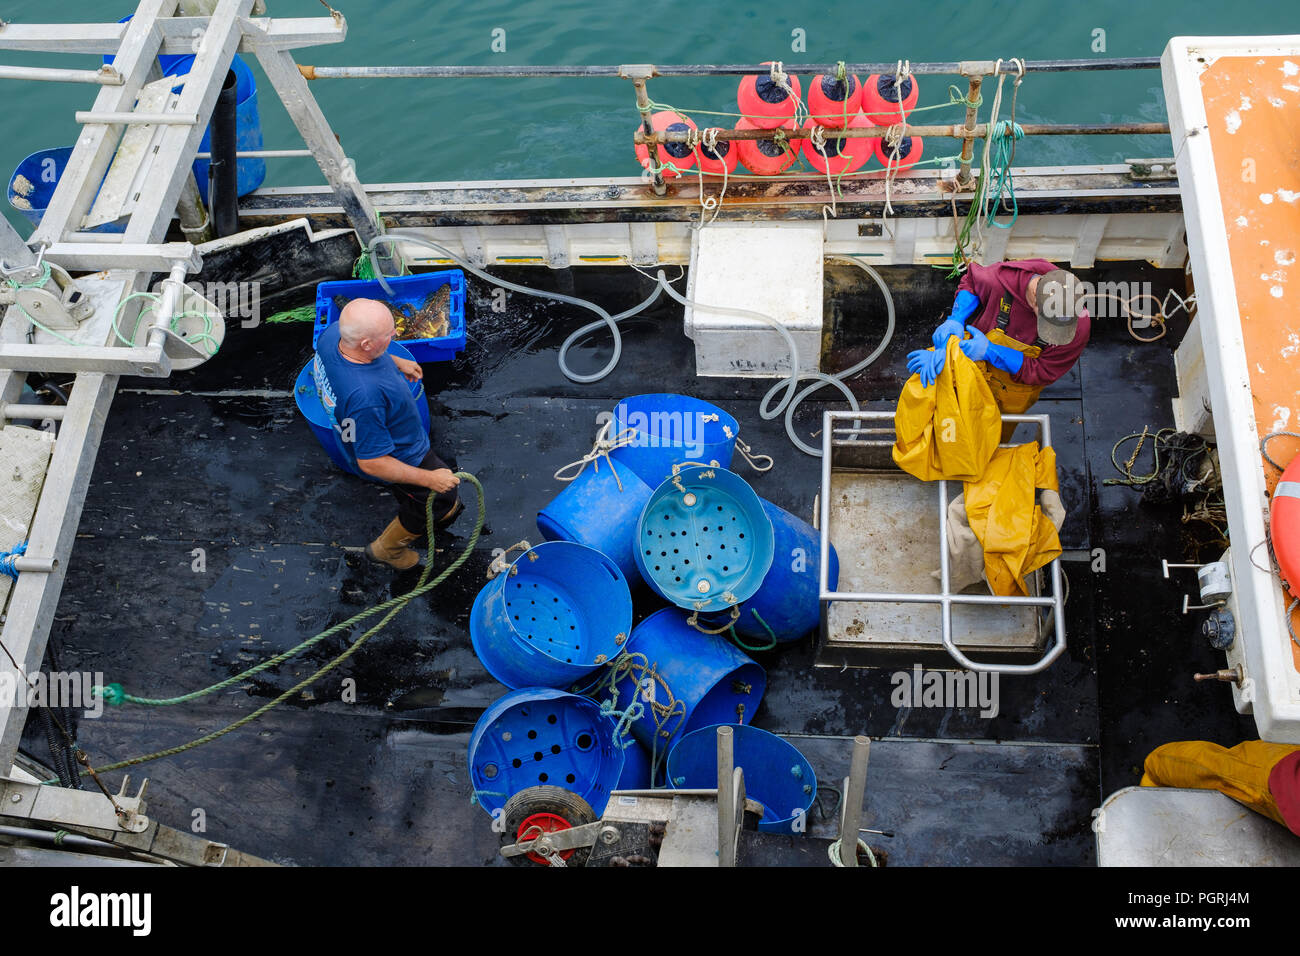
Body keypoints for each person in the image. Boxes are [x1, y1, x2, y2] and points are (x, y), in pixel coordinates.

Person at [314, 298, 463, 570]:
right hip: (400, 454)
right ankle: (387, 550)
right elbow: (372, 462)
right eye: (389, 335)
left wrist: (394, 361)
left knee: (426, 490)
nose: (395, 335)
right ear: (367, 345)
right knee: (439, 500)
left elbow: (360, 356)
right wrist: (429, 478)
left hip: (355, 432)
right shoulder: (365, 399)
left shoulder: (334, 334)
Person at [907, 259, 1091, 439]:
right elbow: (972, 282)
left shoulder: (1077, 326)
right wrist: (957, 318)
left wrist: (990, 352)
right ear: (1035, 294)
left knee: (995, 435)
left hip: (1013, 393)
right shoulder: (1000, 279)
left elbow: (1043, 370)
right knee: (951, 423)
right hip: (972, 368)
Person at [1140, 740, 1300, 837]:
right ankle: (1153, 778)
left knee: (1206, 765)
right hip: (1288, 785)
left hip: (1286, 785)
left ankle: (1153, 778)